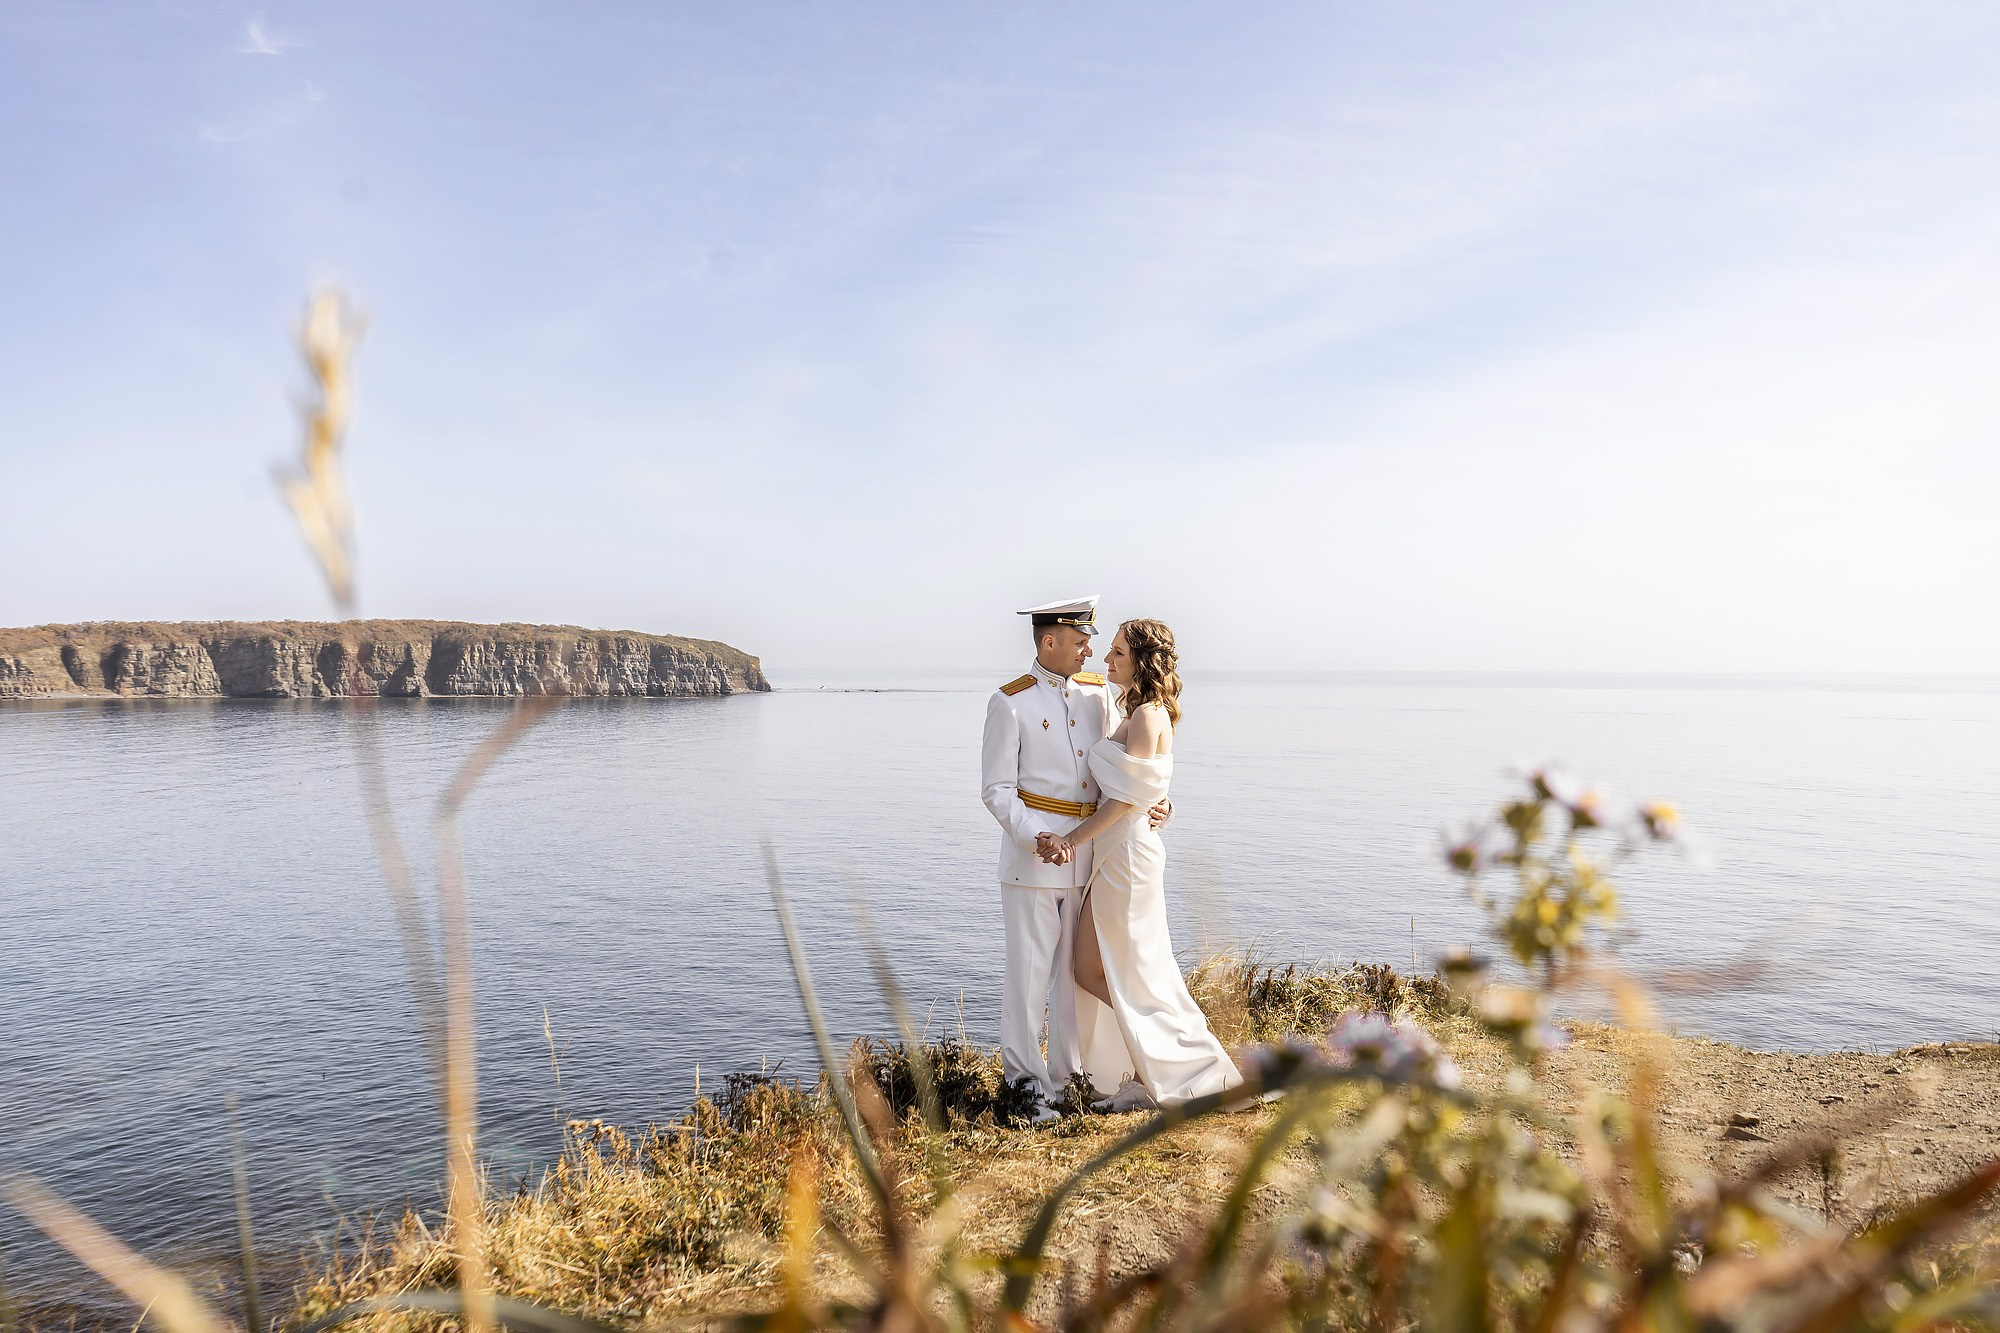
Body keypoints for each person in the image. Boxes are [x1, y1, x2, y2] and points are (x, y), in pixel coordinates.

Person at [981, 595, 1170, 1120]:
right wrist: (1036, 835)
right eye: (1081, 640)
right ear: (1050, 641)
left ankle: (1067, 1084)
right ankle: (1025, 1090)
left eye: (1093, 641)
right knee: (1028, 979)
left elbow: (1127, 766)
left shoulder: (1098, 693)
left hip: (1093, 858)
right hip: (1034, 861)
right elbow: (996, 790)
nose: (1091, 650)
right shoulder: (1009, 703)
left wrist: (1157, 801)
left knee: (1071, 981)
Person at [1040, 618, 1242, 1111]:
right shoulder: (1132, 708)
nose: (1105, 659)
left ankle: (1172, 1069)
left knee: (1124, 973)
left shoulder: (1149, 715)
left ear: (1142, 662)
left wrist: (1071, 839)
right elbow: (1146, 786)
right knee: (1092, 970)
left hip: (1127, 857)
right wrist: (1161, 801)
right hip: (1115, 853)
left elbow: (1128, 800)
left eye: (1117, 653)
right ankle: (1147, 1068)